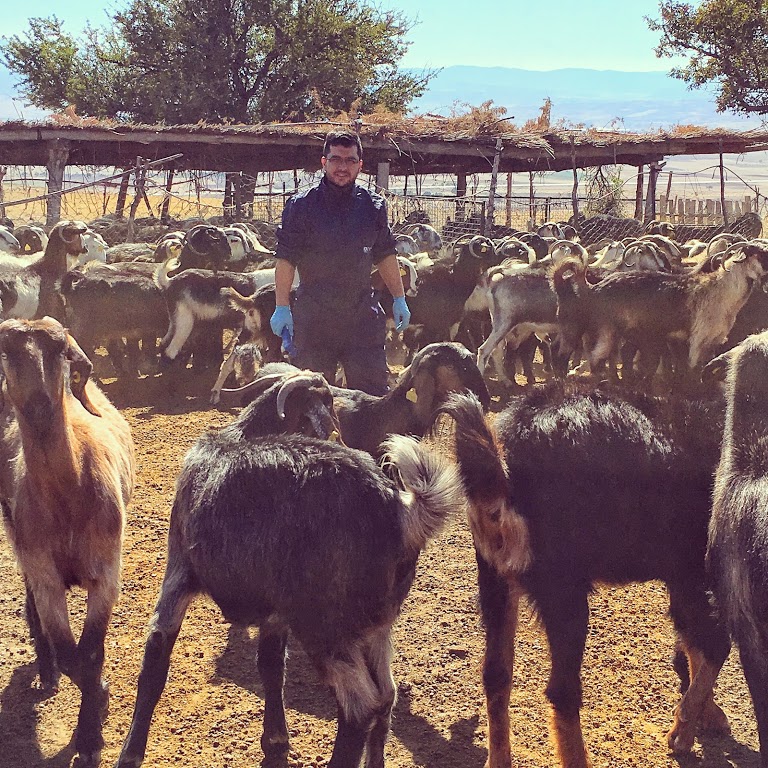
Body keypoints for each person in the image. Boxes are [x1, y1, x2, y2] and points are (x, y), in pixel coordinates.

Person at [270, 129, 410, 395]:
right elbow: (286, 257)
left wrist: (399, 297)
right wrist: (281, 306)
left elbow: (385, 254)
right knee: (309, 398)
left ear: (360, 165)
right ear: (324, 162)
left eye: (349, 160)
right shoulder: (301, 206)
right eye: (335, 159)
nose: (342, 167)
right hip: (314, 318)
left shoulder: (373, 207)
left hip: (361, 318)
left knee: (371, 398)